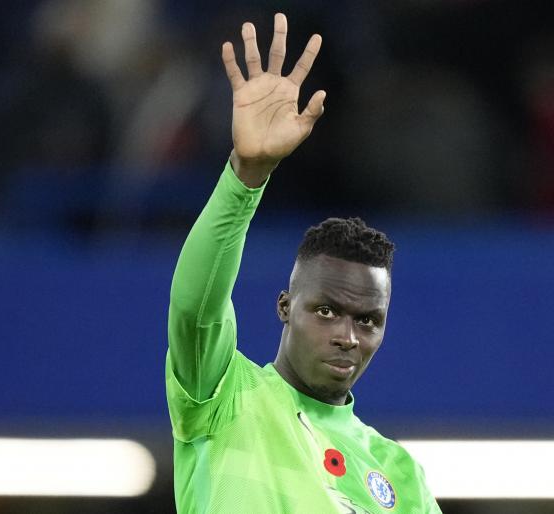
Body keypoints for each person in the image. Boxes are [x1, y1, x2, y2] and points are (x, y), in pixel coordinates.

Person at [165, 13, 442, 514]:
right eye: (326, 310)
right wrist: (246, 175)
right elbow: (194, 307)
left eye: (368, 320)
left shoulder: (401, 475)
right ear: (285, 306)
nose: (347, 336)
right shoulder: (223, 396)